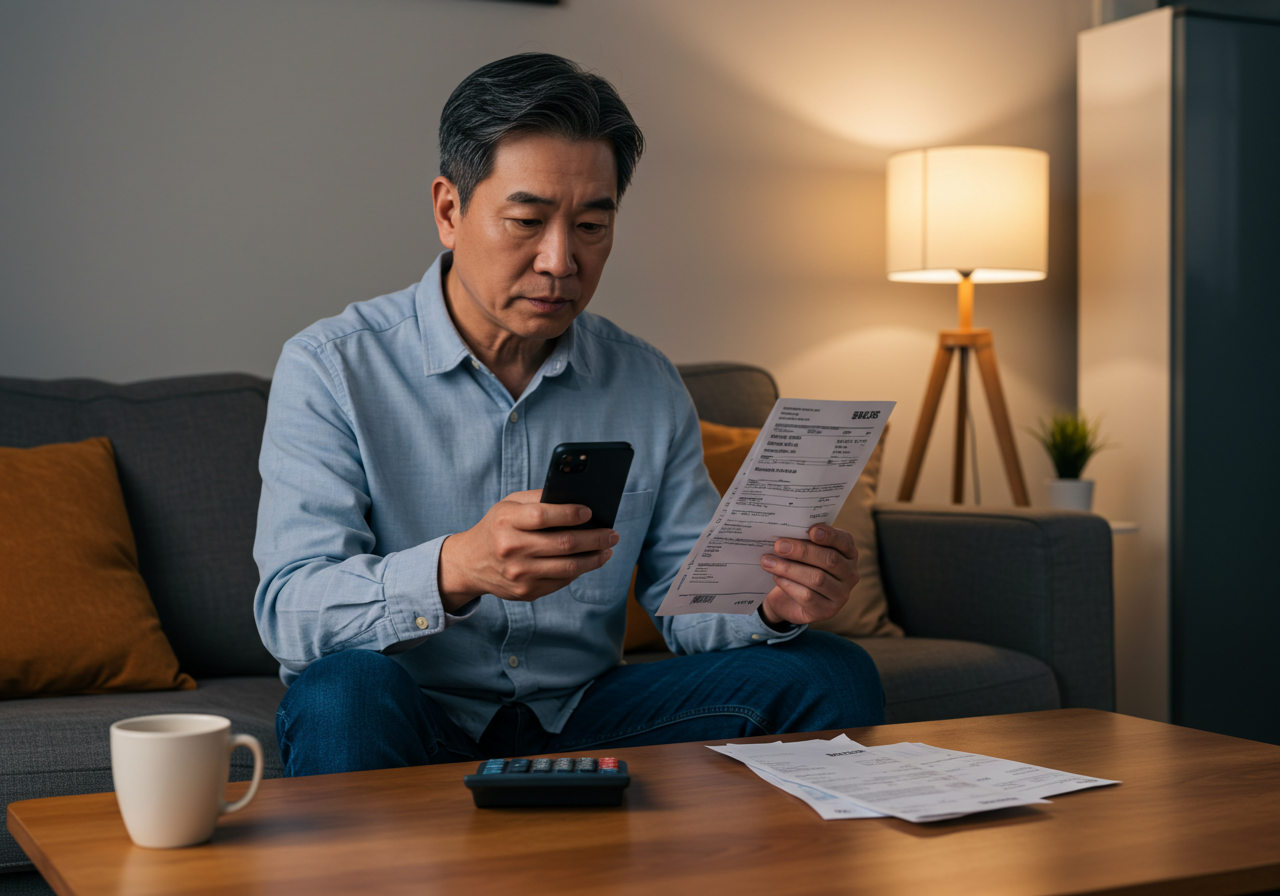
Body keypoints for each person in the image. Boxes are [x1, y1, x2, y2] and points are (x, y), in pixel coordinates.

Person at [254, 53, 884, 777]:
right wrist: (458, 566)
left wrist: (771, 604)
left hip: (588, 714)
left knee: (831, 673)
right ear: (449, 211)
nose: (561, 260)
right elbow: (292, 615)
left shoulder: (644, 381)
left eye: (592, 224)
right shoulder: (332, 368)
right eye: (527, 220)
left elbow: (690, 602)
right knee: (343, 692)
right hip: (415, 715)